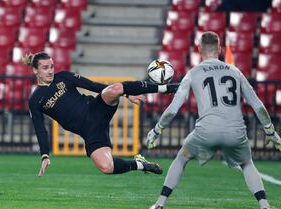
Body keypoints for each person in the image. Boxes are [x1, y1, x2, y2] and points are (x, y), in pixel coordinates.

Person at [145, 31, 281, 209]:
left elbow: (172, 109)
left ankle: (159, 205)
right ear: (220, 49)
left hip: (206, 131)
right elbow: (258, 106)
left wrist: (156, 130)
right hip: (236, 131)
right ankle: (265, 207)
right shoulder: (235, 71)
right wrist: (270, 131)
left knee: (182, 157)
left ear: (199, 49)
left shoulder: (193, 73)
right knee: (247, 163)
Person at [22, 51, 179, 177]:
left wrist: (126, 94)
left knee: (115, 88)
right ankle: (140, 164)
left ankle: (165, 89)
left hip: (96, 108)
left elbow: (94, 86)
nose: (50, 71)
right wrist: (45, 155)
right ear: (35, 70)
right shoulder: (35, 100)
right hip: (90, 131)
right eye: (45, 68)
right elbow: (40, 129)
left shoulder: (64, 77)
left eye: (51, 66)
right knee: (106, 167)